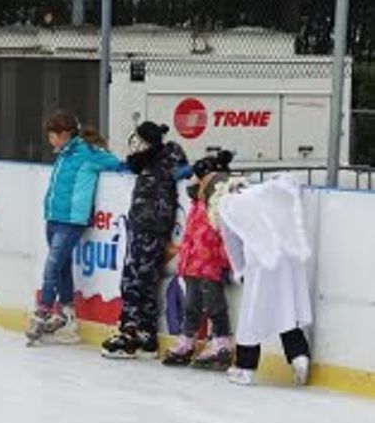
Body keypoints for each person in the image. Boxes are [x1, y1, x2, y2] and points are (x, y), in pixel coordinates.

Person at [27, 110, 122, 344]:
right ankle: (67, 317)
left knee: (52, 265)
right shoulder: (62, 155)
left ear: (66, 134)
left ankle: (43, 310)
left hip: (71, 220)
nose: (50, 140)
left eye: (53, 136)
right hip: (54, 216)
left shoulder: (87, 153)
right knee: (61, 267)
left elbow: (116, 164)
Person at [210, 172, 312, 387]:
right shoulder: (261, 196)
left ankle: (245, 368)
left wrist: (239, 271)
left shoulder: (227, 205)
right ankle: (299, 355)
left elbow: (232, 245)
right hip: (288, 259)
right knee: (287, 308)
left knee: (251, 316)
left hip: (260, 261)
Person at [101, 121, 186, 359]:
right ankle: (145, 334)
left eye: (140, 143)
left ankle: (130, 330)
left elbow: (183, 171)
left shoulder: (164, 163)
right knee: (140, 279)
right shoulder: (147, 163)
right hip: (140, 226)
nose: (135, 149)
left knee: (136, 279)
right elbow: (131, 164)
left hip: (153, 228)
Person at [162, 151, 235, 369]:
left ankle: (221, 341)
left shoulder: (218, 201)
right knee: (191, 304)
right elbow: (191, 235)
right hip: (193, 263)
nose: (191, 181)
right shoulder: (196, 203)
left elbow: (222, 237)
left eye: (194, 177)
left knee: (214, 304)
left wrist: (223, 262)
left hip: (210, 264)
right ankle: (188, 339)